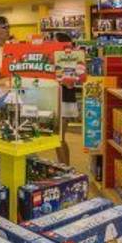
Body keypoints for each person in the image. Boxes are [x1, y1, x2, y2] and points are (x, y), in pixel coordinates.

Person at [55, 32, 78, 165]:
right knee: (59, 138)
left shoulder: (69, 61)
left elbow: (69, 84)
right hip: (60, 100)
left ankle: (65, 168)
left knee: (59, 138)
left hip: (65, 101)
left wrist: (60, 78)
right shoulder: (61, 60)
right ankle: (64, 167)